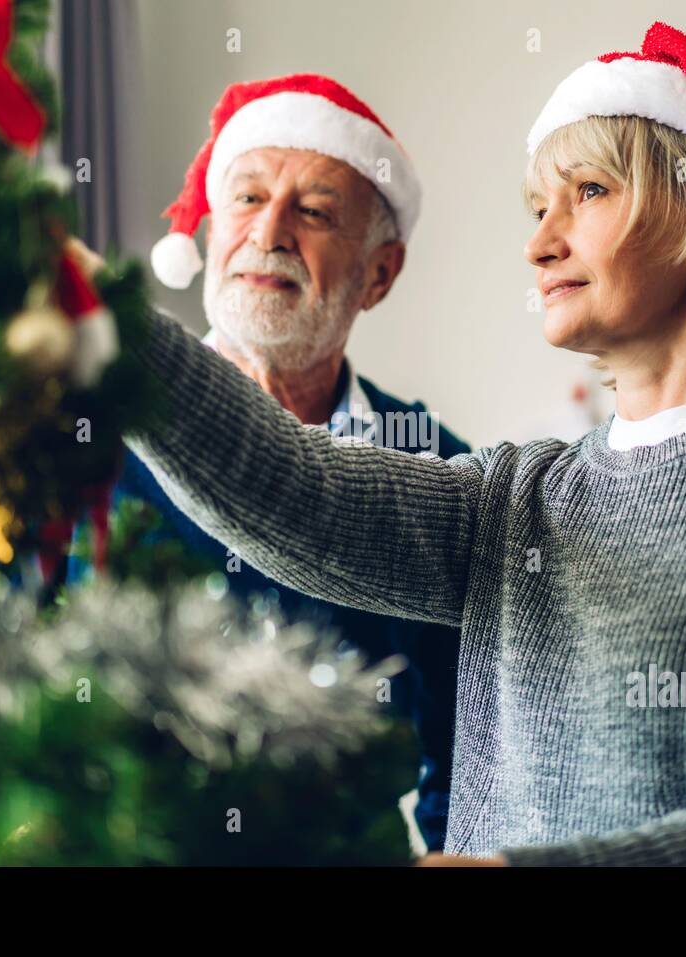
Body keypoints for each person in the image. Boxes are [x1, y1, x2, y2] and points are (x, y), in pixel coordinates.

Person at [120, 24, 686, 865]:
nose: (540, 242)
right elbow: (296, 488)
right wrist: (100, 326)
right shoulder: (522, 492)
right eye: (538, 207)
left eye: (587, 190)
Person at [68, 74, 467, 853]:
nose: (271, 231)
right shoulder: (88, 431)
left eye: (315, 212)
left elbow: (466, 763)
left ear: (379, 273)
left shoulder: (441, 474)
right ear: (213, 234)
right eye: (247, 199)